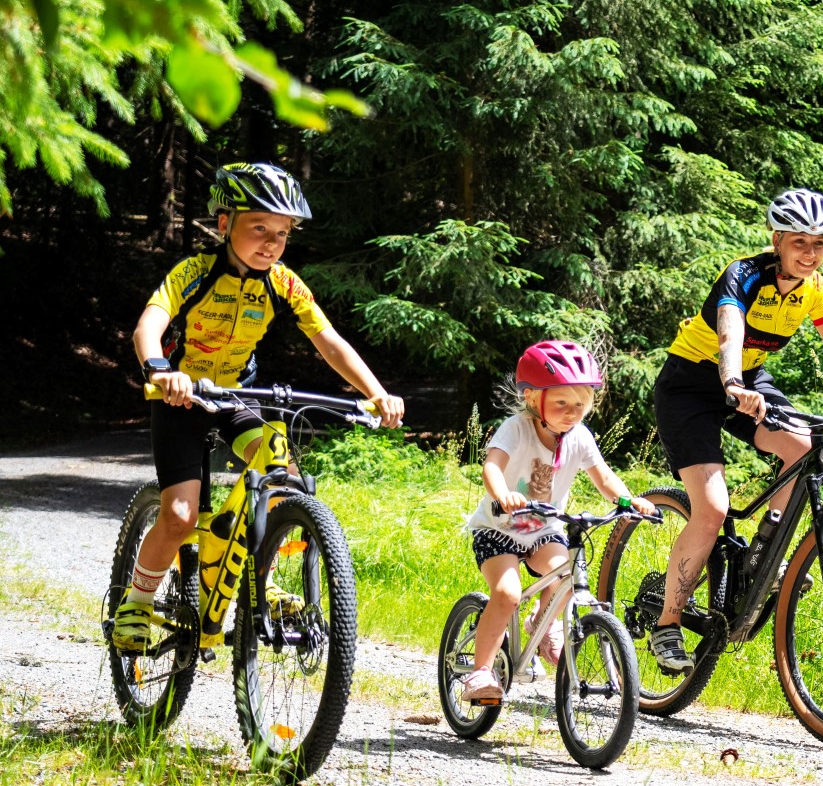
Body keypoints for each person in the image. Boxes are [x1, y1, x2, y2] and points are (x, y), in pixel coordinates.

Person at [117, 162, 406, 652]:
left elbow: (328, 340)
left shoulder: (284, 284)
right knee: (181, 515)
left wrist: (375, 391)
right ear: (225, 224)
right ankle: (137, 602)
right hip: (181, 399)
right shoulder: (194, 273)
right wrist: (161, 369)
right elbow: (149, 325)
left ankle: (260, 580)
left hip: (234, 397)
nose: (271, 243)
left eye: (282, 233)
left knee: (280, 473)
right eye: (259, 228)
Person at [646, 188, 823, 672]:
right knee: (711, 508)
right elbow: (730, 331)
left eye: (819, 244)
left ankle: (763, 557)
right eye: (800, 242)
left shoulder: (815, 290)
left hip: (747, 380)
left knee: (806, 447)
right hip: (692, 382)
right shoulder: (744, 274)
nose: (810, 253)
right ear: (777, 240)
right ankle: (667, 624)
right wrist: (730, 381)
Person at [457, 341, 657, 706]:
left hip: (543, 528)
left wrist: (628, 501)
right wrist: (503, 494)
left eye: (579, 404)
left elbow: (604, 478)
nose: (571, 412)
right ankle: (480, 673)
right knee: (506, 594)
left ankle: (542, 624)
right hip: (498, 529)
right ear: (533, 398)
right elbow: (492, 466)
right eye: (561, 403)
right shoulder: (516, 428)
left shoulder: (579, 437)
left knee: (566, 573)